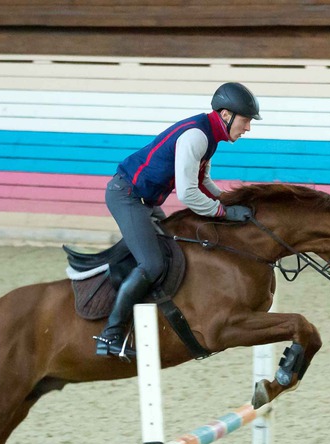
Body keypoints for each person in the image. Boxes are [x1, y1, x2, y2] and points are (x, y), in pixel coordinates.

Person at [94, 82, 261, 358]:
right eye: (245, 121)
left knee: (175, 250)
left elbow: (203, 182)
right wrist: (222, 212)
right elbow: (187, 193)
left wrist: (228, 201)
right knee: (152, 263)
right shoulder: (197, 136)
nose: (248, 128)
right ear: (226, 114)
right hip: (127, 197)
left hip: (144, 200)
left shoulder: (209, 137)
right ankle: (110, 334)